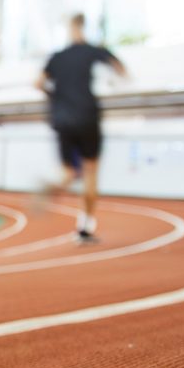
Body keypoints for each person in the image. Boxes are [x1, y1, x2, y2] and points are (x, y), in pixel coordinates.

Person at [34, 13, 127, 244]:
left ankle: (53, 185)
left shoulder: (57, 57)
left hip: (62, 118)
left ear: (68, 28)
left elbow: (37, 83)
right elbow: (121, 69)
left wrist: (56, 97)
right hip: (87, 115)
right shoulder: (93, 50)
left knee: (68, 172)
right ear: (84, 26)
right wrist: (116, 83)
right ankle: (85, 227)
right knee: (91, 173)